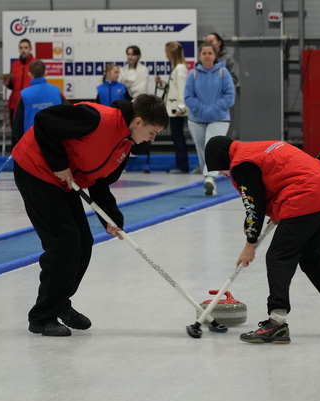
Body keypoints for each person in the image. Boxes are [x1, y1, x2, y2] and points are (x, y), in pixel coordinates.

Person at [12, 94, 168, 336]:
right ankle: (42, 317)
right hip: (36, 170)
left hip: (64, 181)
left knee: (83, 241)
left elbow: (99, 182)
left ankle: (59, 300)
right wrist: (58, 162)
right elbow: (44, 120)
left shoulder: (125, 144)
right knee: (64, 242)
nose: (152, 138)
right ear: (138, 121)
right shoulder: (96, 118)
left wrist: (110, 219)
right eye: (152, 132)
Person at [204, 136, 320, 344]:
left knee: (278, 256)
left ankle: (276, 323)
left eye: (221, 169)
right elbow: (281, 178)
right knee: (311, 258)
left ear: (222, 158)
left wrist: (250, 245)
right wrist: (281, 209)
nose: (225, 174)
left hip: (304, 196)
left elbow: (254, 206)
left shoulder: (242, 164)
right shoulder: (259, 147)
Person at [184, 42, 235, 195]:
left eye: (209, 53)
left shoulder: (223, 73)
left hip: (219, 118)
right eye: (204, 53)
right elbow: (188, 97)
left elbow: (230, 96)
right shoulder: (193, 74)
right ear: (199, 56)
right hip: (196, 119)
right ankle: (208, 178)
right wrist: (202, 109)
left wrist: (213, 109)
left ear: (215, 55)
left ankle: (210, 178)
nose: (207, 56)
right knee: (202, 151)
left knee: (211, 145)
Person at [155, 41, 190, 173]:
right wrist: (162, 84)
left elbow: (182, 89)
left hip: (177, 110)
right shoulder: (177, 68)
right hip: (174, 109)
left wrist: (180, 107)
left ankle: (182, 166)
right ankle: (181, 165)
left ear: (171, 53)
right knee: (177, 137)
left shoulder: (180, 69)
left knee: (178, 137)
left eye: (167, 52)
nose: (166, 55)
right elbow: (173, 88)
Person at [12, 60, 67, 142]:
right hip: (55, 140)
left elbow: (17, 125)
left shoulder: (24, 95)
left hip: (31, 142)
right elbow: (68, 114)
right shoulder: (56, 91)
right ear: (45, 73)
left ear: (29, 74)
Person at [3, 39, 34, 146]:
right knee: (15, 132)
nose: (23, 50)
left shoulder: (35, 64)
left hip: (29, 104)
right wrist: (7, 83)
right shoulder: (15, 65)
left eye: (26, 48)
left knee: (29, 131)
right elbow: (12, 85)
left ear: (30, 49)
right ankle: (14, 156)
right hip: (14, 104)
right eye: (21, 48)